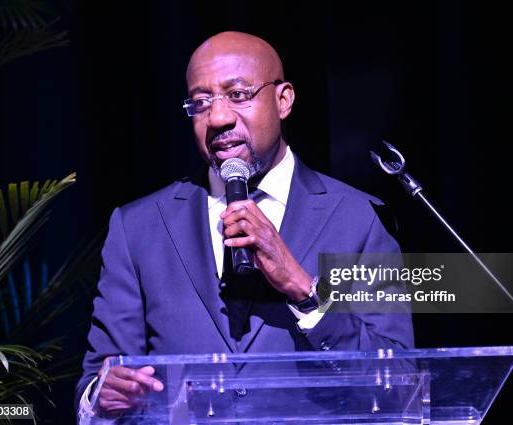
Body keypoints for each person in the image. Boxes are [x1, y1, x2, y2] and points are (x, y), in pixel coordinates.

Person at [75, 31, 414, 422]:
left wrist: (304, 289)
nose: (217, 118)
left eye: (237, 95)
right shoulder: (138, 227)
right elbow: (95, 386)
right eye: (201, 102)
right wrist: (103, 399)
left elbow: (399, 383)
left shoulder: (358, 219)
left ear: (283, 99)